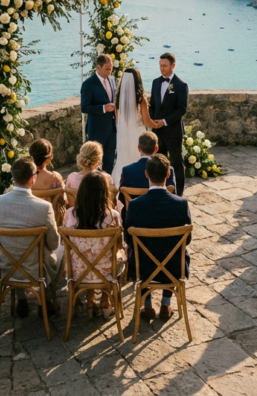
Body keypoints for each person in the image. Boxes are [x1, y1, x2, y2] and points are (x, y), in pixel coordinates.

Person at [0, 157, 63, 318]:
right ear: (32, 178)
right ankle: (46, 298)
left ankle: (22, 300)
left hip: (5, 269)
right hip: (36, 270)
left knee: (16, 252)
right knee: (61, 250)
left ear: (14, 177)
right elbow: (54, 244)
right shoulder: (44, 207)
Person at [123, 154, 192, 320]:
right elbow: (187, 240)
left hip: (144, 268)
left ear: (146, 174)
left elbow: (128, 239)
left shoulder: (135, 205)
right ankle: (166, 303)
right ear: (168, 175)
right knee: (175, 251)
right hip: (174, 267)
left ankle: (147, 306)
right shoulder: (181, 204)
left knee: (140, 253)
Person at [62, 172, 128, 319]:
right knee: (115, 256)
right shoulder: (113, 216)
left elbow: (63, 243)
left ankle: (90, 300)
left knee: (86, 259)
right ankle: (105, 301)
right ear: (105, 192)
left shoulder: (70, 214)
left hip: (78, 272)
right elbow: (119, 246)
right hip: (106, 271)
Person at [110, 68, 159, 187]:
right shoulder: (141, 99)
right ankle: (140, 186)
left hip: (122, 135)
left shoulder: (118, 99)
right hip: (138, 134)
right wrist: (156, 124)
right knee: (139, 160)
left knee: (123, 160)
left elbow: (117, 120)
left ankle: (121, 187)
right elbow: (147, 122)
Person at [149, 53, 189, 195]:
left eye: (164, 66)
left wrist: (164, 122)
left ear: (173, 65)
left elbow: (182, 109)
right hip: (157, 132)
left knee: (176, 163)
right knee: (159, 164)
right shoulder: (155, 82)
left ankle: (179, 194)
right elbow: (152, 105)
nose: (162, 68)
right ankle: (161, 192)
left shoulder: (181, 85)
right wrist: (153, 121)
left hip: (173, 131)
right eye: (160, 65)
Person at [117, 131, 176, 221]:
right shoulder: (168, 169)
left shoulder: (127, 171)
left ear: (138, 148)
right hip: (163, 217)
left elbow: (121, 199)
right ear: (157, 148)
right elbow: (173, 196)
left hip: (135, 220)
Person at [80, 54, 118, 173]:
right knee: (95, 163)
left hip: (111, 129)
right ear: (98, 67)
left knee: (109, 161)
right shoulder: (88, 84)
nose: (109, 71)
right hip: (96, 129)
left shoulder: (113, 80)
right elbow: (84, 107)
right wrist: (103, 108)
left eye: (111, 68)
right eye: (107, 68)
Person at [29, 138, 67, 226]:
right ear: (48, 159)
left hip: (30, 222)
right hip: (51, 222)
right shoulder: (55, 177)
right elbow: (64, 201)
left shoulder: (24, 178)